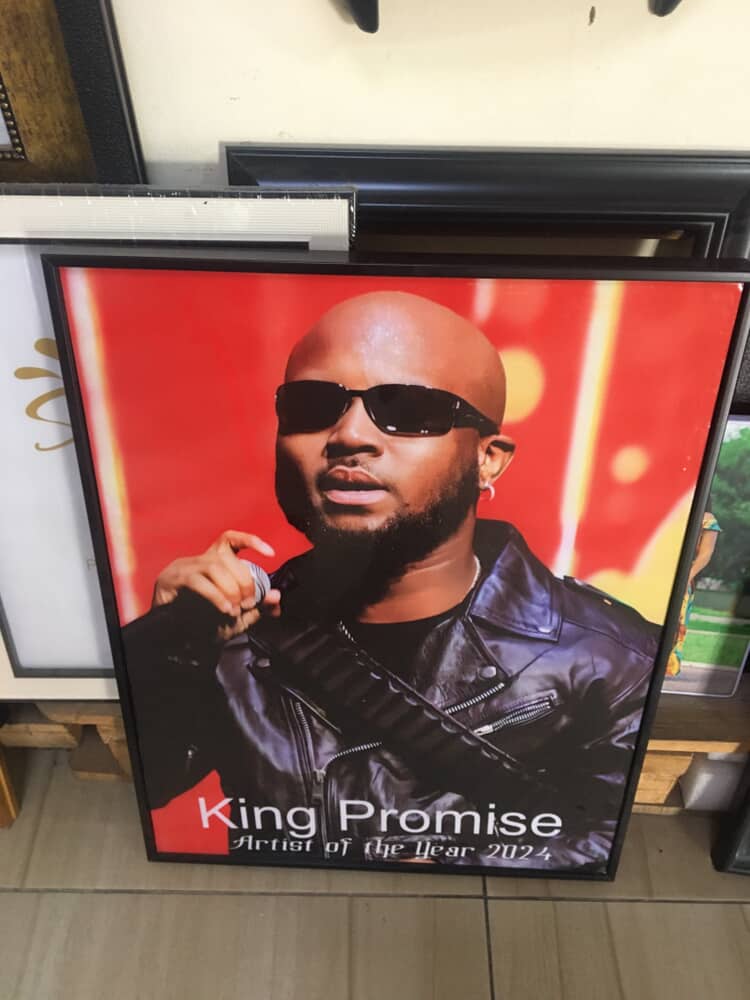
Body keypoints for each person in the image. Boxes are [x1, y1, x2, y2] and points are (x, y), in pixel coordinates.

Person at [124, 290, 659, 872]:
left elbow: (606, 832)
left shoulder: (610, 658)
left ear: (488, 459)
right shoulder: (229, 627)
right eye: (312, 406)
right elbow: (151, 780)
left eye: (407, 409)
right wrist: (167, 649)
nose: (349, 434)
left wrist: (454, 874)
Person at [666, 510, 721, 677]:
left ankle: (667, 664)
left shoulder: (707, 520)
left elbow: (705, 554)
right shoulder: (675, 510)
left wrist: (686, 577)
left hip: (681, 577)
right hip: (659, 573)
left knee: (675, 622)